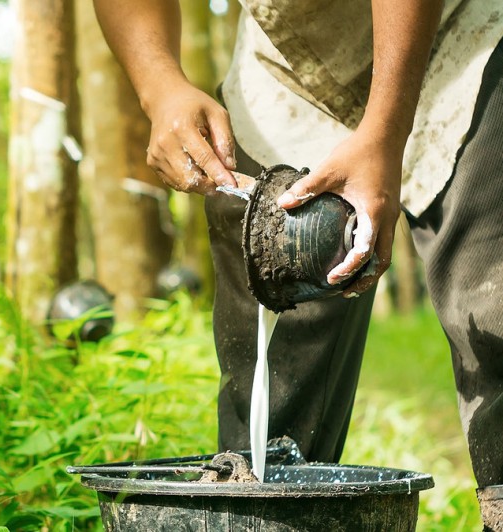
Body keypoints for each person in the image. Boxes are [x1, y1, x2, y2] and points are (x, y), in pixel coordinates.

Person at [93, 0, 503, 528]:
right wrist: (161, 87)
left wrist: (383, 133)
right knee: (271, 389)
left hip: (458, 40)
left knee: (490, 310)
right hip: (289, 66)